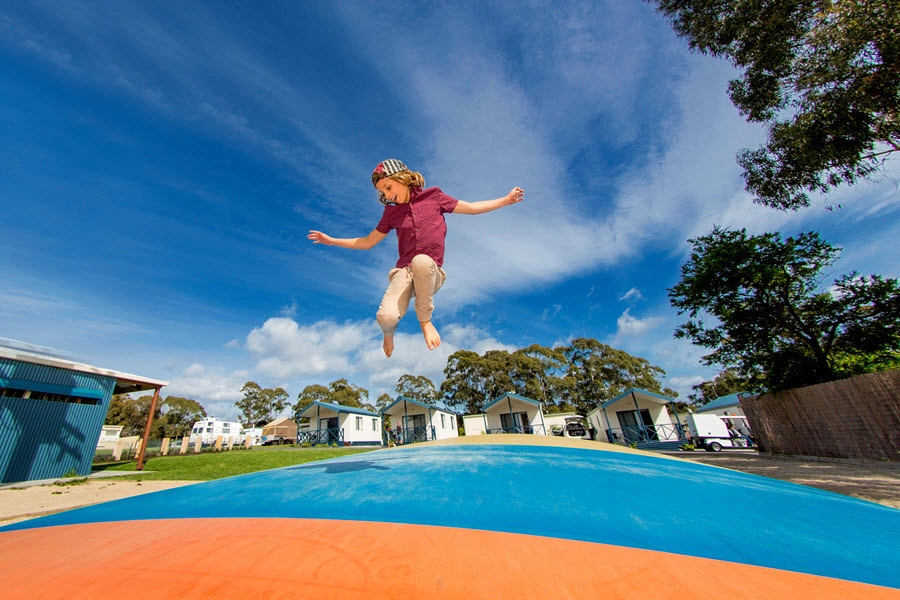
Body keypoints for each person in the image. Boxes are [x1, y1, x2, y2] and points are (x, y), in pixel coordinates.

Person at [308, 158, 524, 357]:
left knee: (421, 260)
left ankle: (425, 322)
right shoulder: (391, 213)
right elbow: (367, 241)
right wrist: (332, 240)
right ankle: (388, 334)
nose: (387, 195)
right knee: (386, 317)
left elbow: (472, 208)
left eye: (388, 187)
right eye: (382, 191)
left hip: (430, 273)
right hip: (405, 273)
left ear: (403, 178)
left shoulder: (434, 197)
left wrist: (506, 200)